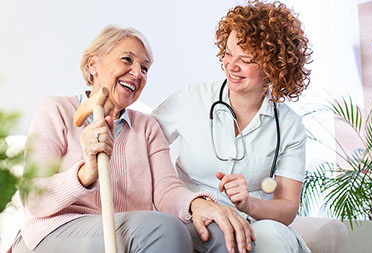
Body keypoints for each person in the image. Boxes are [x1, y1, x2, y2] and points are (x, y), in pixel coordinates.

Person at [11, 25, 253, 253]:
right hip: (55, 231)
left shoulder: (147, 127)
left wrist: (198, 204)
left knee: (220, 231)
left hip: (129, 229)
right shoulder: (56, 110)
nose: (137, 73)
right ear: (93, 64)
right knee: (163, 229)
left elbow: (167, 192)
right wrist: (86, 172)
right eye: (127, 60)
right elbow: (33, 198)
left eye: (145, 68)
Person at [151, 1, 313, 252]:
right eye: (228, 53)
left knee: (270, 237)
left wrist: (249, 205)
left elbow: (288, 205)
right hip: (193, 215)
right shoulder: (192, 99)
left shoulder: (289, 126)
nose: (231, 66)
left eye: (246, 59)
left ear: (274, 67)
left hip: (254, 222)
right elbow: (142, 141)